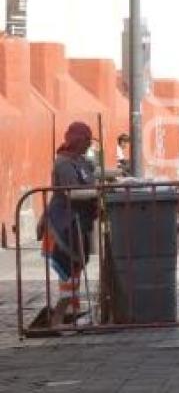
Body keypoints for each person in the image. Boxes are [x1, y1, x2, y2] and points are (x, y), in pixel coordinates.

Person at [39, 122, 99, 328]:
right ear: (78, 140)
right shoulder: (63, 164)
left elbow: (92, 176)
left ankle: (69, 313)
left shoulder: (80, 161)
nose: (89, 144)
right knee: (68, 272)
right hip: (63, 224)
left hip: (77, 223)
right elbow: (72, 192)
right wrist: (99, 192)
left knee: (75, 270)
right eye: (87, 139)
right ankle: (57, 319)